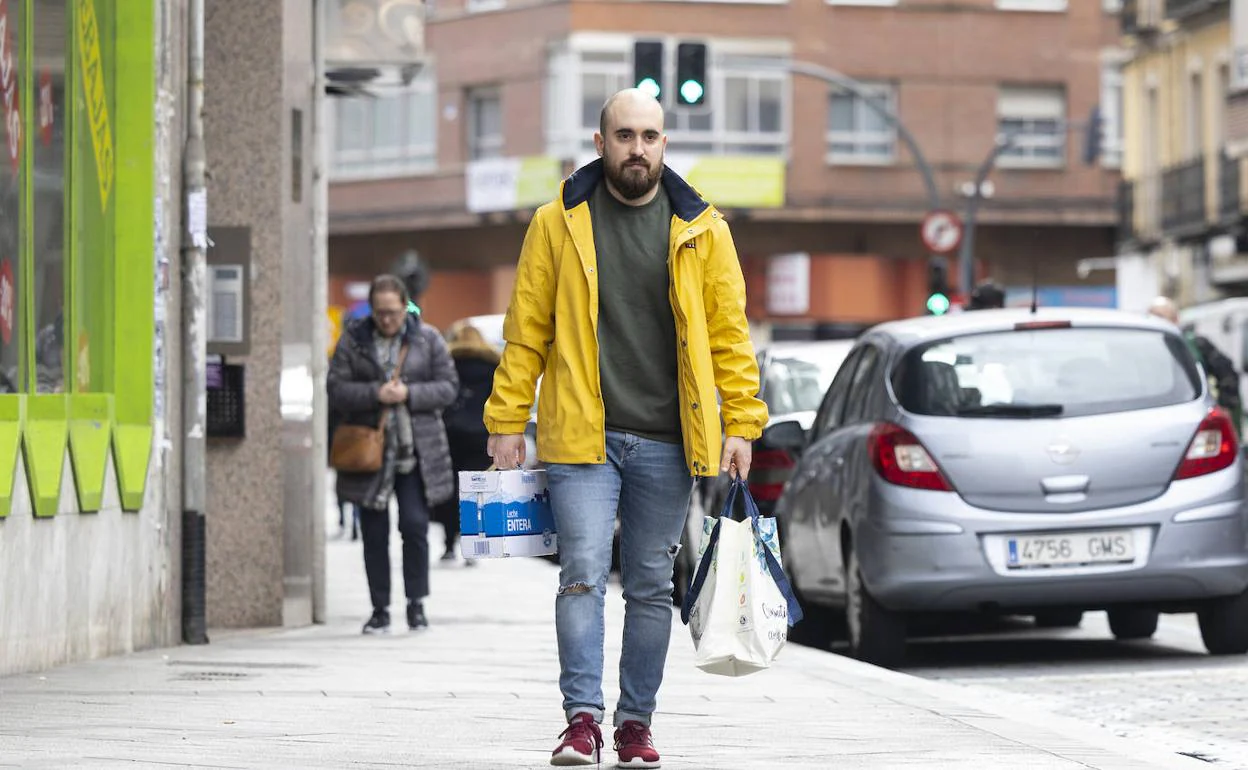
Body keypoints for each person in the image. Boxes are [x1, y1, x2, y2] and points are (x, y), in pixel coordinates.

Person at [483, 88, 768, 768]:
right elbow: (527, 331)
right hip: (584, 436)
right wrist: (505, 419)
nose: (637, 147)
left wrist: (742, 422)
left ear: (664, 144)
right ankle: (581, 721)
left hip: (671, 442)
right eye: (625, 135)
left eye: (650, 135)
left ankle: (635, 724)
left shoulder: (703, 228)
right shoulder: (558, 222)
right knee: (581, 573)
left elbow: (730, 335)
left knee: (649, 586)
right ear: (600, 142)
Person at [327, 273, 458, 634]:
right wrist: (375, 393)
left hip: (415, 454)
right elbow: (335, 388)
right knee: (373, 532)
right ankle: (380, 608)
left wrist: (409, 393)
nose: (387, 319)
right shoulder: (353, 340)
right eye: (381, 312)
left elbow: (448, 387)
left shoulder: (428, 339)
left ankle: (416, 604)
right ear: (372, 309)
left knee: (415, 526)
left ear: (405, 308)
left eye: (394, 312)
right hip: (369, 455)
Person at [431, 320, 500, 563]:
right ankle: (472, 546)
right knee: (475, 491)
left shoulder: (448, 363)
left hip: (451, 434)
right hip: (481, 436)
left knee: (450, 491)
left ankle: (449, 545)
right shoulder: (493, 365)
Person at [1148, 296, 1243, 433]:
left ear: (1175, 319)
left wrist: (1224, 406)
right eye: (1152, 316)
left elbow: (1227, 373)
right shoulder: (1142, 349)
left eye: (1161, 316)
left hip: (1192, 413)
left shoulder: (1195, 345)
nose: (1156, 321)